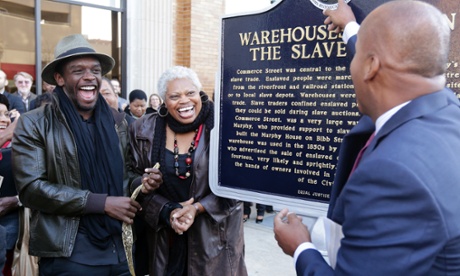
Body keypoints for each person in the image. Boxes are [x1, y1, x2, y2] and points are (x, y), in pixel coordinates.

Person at [274, 0, 460, 274]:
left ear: (371, 66)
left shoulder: (392, 174)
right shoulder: (448, 112)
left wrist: (301, 247)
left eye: (357, 55)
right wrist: (351, 28)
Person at [11, 33, 141, 275]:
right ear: (60, 78)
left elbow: (126, 175)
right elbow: (31, 189)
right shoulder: (35, 123)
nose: (90, 76)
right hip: (70, 255)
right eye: (78, 70)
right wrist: (99, 203)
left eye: (95, 70)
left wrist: (142, 182)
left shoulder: (118, 123)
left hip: (121, 250)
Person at [129, 65, 247, 275]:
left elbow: (240, 185)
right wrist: (167, 210)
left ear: (200, 93)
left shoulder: (224, 125)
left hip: (214, 243)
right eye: (175, 96)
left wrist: (197, 208)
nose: (185, 100)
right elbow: (132, 179)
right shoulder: (143, 129)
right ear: (164, 101)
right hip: (166, 240)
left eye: (190, 93)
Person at [0, 94, 21, 276]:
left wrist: (15, 200)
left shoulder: (21, 148)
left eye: (6, 114)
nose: (3, 120)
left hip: (10, 232)